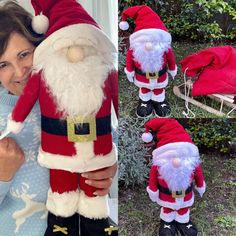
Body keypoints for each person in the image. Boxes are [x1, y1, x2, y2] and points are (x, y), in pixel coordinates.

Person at [0, 1, 117, 236]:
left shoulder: (74, 96)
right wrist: (2, 174)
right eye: (3, 64)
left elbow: (107, 140)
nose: (20, 72)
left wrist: (110, 168)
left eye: (24, 55)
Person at [142, 118, 206, 236]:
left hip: (186, 195)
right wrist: (153, 191)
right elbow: (152, 180)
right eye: (170, 156)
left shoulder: (193, 164)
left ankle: (183, 221)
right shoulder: (157, 167)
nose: (176, 161)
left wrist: (200, 185)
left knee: (184, 209)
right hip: (167, 197)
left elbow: (199, 175)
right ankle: (167, 222)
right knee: (167, 209)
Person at [119, 5, 177, 118]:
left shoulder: (165, 49)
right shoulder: (134, 50)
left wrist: (172, 69)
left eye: (153, 40)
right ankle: (144, 101)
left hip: (160, 77)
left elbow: (170, 59)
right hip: (142, 78)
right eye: (144, 40)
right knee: (144, 89)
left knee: (159, 89)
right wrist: (130, 72)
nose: (149, 45)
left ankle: (159, 101)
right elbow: (129, 61)